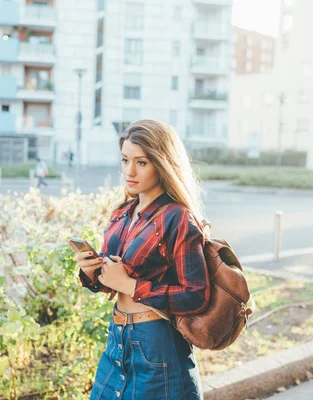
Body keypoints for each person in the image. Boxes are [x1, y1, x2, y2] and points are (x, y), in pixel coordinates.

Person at [75, 120, 210, 399]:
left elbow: (196, 295)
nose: (129, 171)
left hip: (156, 341)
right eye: (125, 160)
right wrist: (93, 272)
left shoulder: (177, 217)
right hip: (118, 337)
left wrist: (131, 285)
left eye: (142, 162)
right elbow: (111, 283)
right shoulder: (122, 212)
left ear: (162, 163)